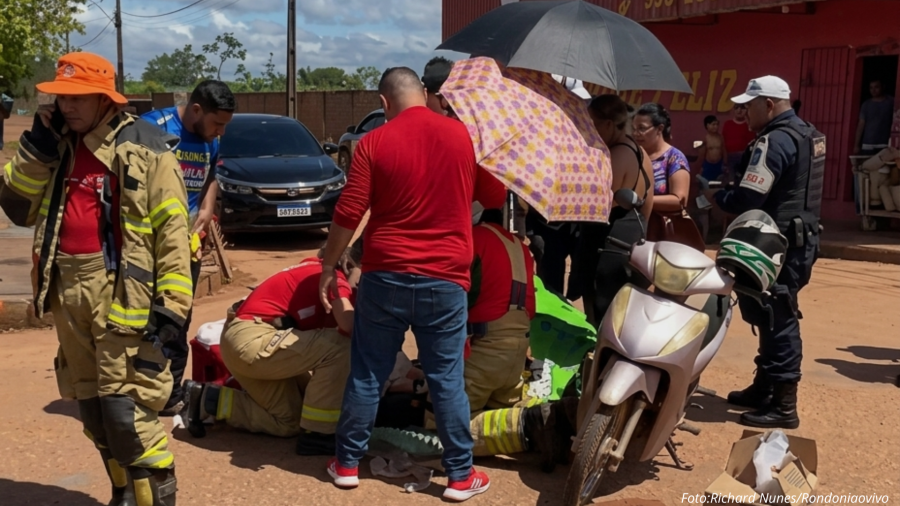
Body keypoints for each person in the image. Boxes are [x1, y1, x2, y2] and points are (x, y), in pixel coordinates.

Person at [0, 52, 192, 506]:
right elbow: (16, 206)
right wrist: (36, 148)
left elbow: (173, 233)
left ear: (106, 99)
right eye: (61, 98)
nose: (67, 107)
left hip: (123, 295)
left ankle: (155, 496)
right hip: (67, 292)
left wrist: (172, 307)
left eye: (78, 97)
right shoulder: (56, 143)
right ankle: (124, 492)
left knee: (127, 415)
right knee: (92, 411)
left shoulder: (148, 148)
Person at [318, 67, 506, 501]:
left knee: (368, 372)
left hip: (384, 276)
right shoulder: (465, 137)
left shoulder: (373, 142)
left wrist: (330, 267)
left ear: (384, 103)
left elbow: (349, 213)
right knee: (446, 379)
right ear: (425, 94)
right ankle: (460, 477)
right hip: (445, 280)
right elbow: (494, 199)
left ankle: (346, 464)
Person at [704, 75, 823, 429]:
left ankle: (784, 407)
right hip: (799, 238)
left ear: (768, 105)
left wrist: (718, 198)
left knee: (777, 315)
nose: (744, 112)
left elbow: (749, 197)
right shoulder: (808, 134)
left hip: (776, 244)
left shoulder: (774, 141)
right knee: (770, 313)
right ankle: (764, 388)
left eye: (749, 105)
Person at [184, 246, 360, 455]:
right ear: (349, 265)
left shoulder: (314, 268)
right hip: (253, 339)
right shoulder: (333, 278)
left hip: (242, 343)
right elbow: (349, 327)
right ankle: (318, 435)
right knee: (341, 347)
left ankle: (207, 399)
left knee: (289, 422)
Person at [141, 80, 235, 416]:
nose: (220, 132)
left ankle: (170, 395)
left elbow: (211, 176)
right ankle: (138, 391)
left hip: (186, 248)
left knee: (178, 318)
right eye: (217, 123)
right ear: (196, 110)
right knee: (146, 319)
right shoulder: (152, 127)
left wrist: (208, 209)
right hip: (147, 247)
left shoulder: (212, 140)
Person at [573, 95, 654, 326]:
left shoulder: (616, 156)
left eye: (592, 123)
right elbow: (648, 204)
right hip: (630, 241)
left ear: (608, 124)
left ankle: (600, 361)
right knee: (620, 317)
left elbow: (597, 205)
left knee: (602, 317)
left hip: (607, 249)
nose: (588, 130)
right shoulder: (639, 151)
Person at [855, 79, 895, 156]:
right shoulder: (866, 105)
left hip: (885, 144)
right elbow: (861, 125)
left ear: (882, 87)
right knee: (867, 166)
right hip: (868, 144)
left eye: (876, 87)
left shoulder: (891, 102)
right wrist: (856, 145)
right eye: (871, 88)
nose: (873, 90)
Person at [722, 102, 757, 175]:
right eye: (736, 108)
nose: (739, 110)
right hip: (730, 158)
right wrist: (725, 159)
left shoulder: (751, 124)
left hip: (747, 157)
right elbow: (723, 143)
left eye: (742, 108)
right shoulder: (727, 124)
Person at [698, 114, 726, 181]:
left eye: (717, 124)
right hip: (708, 166)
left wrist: (725, 164)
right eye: (713, 124)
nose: (716, 127)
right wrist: (701, 167)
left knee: (719, 184)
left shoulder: (720, 137)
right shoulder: (705, 138)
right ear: (707, 125)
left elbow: (724, 151)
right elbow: (702, 154)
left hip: (719, 165)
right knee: (706, 184)